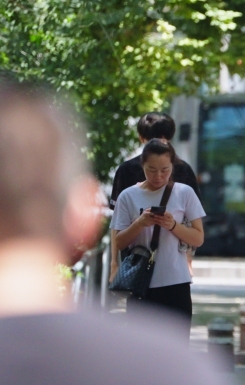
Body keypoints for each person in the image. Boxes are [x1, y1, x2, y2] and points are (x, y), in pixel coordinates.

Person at [0, 80, 225, 384]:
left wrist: (119, 265)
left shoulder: (135, 171)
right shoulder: (176, 367)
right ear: (80, 220)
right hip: (164, 269)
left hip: (145, 266)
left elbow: (116, 213)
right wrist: (185, 253)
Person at [110, 139, 206, 341]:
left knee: (178, 351)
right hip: (140, 285)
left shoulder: (184, 193)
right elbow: (119, 242)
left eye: (165, 169)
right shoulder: (128, 196)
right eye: (151, 170)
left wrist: (173, 225)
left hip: (176, 282)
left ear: (173, 166)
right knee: (140, 352)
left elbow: (198, 238)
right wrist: (140, 223)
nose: (159, 176)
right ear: (142, 166)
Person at [110, 112, 200, 281]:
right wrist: (114, 264)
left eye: (165, 170)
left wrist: (188, 258)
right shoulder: (127, 170)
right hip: (135, 262)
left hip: (173, 265)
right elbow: (117, 222)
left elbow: (193, 222)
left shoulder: (183, 171)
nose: (159, 175)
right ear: (143, 139)